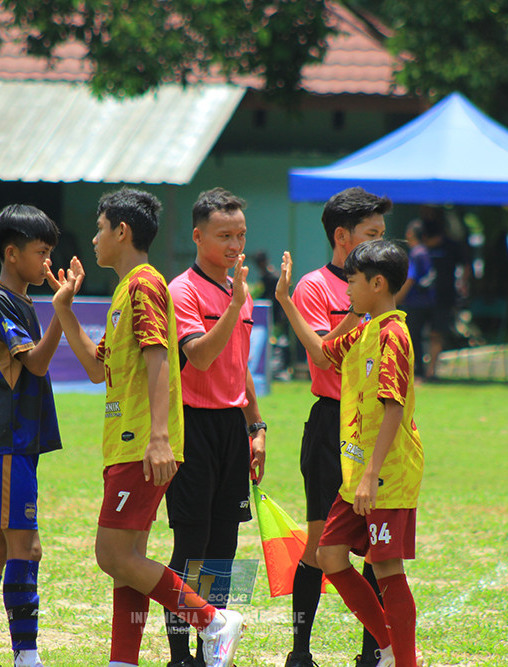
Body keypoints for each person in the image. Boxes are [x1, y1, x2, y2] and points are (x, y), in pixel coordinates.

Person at [48, 188, 244, 667]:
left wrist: (159, 438)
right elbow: (99, 370)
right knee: (127, 562)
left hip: (142, 444)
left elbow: (162, 357)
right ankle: (123, 660)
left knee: (111, 554)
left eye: (99, 228)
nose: (93, 239)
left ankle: (212, 620)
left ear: (122, 231)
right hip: (123, 444)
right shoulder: (125, 290)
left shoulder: (145, 285)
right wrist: (64, 310)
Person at [276, 239, 424, 667]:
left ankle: (404, 660)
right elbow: (322, 354)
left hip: (386, 474)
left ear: (377, 284)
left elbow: (393, 407)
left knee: (386, 567)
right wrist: (286, 302)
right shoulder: (365, 329)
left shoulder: (393, 334)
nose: (347, 290)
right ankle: (393, 645)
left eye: (353, 281)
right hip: (357, 472)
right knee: (330, 554)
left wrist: (371, 474)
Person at [285, 186, 391, 667]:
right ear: (343, 237)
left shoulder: (381, 285)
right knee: (319, 541)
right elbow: (321, 352)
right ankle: (301, 651)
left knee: (372, 544)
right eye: (372, 235)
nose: (381, 246)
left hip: (373, 425)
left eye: (383, 236)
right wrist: (359, 310)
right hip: (331, 422)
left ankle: (373, 651)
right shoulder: (314, 287)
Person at [164, 188, 266, 667]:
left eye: (240, 235)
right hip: (191, 425)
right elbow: (201, 357)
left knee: (227, 542)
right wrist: (232, 307)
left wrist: (256, 424)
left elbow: (238, 362)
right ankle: (179, 654)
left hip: (230, 425)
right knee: (192, 541)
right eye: (225, 235)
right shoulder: (181, 290)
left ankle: (216, 647)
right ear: (198, 236)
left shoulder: (236, 288)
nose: (234, 244)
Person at [0, 204, 65, 667]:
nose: (48, 262)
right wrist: (63, 310)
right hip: (2, 440)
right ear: (11, 253)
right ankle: (26, 654)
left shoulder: (20, 301)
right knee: (26, 545)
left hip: (12, 441)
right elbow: (37, 364)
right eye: (41, 252)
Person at [421, 208, 468, 381]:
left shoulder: (451, 247)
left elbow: (465, 265)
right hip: (421, 299)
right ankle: (419, 369)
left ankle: (431, 370)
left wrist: (463, 283)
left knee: (436, 333)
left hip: (443, 296)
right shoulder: (420, 250)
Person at [396, 219, 435, 380]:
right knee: (419, 336)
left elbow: (410, 278)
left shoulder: (416, 253)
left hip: (416, 302)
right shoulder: (425, 251)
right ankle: (421, 370)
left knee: (413, 336)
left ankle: (417, 371)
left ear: (409, 234)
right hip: (427, 301)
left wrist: (397, 298)